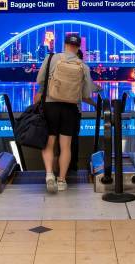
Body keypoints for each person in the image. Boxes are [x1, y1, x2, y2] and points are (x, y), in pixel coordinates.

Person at [35, 34, 96, 193]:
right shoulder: (83, 66)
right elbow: (86, 93)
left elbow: (40, 80)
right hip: (70, 108)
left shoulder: (51, 59)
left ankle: (49, 174)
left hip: (50, 105)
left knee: (49, 143)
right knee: (66, 146)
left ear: (64, 44)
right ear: (79, 47)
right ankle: (62, 180)